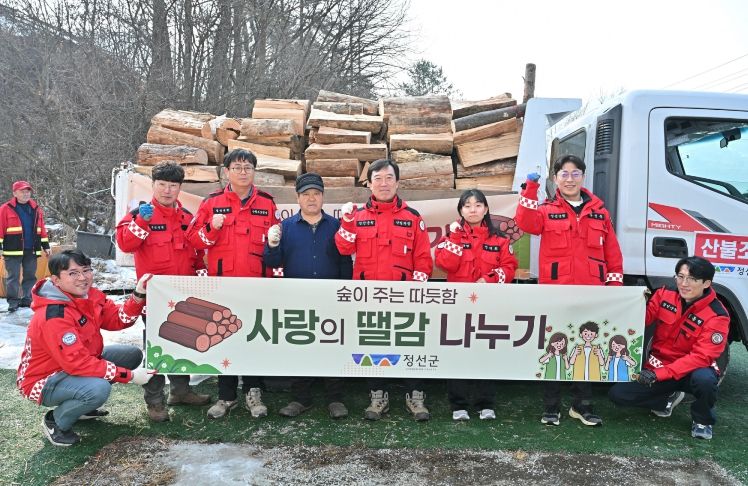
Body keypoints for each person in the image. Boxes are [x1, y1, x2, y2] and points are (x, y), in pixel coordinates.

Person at [515, 154, 623, 427]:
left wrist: (614, 288)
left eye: (576, 173)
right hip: (556, 292)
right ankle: (551, 407)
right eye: (564, 174)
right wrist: (530, 188)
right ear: (555, 179)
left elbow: (612, 253)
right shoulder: (546, 210)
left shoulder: (600, 212)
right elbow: (525, 223)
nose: (570, 179)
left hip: (592, 293)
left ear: (583, 177)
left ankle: (581, 406)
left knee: (586, 348)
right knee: (555, 346)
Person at [16, 250, 154, 446]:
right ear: (56, 280)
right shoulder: (54, 315)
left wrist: (138, 295)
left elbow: (119, 319)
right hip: (43, 380)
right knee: (98, 389)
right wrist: (129, 376)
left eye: (86, 270)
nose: (82, 278)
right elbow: (78, 363)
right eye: (73, 273)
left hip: (72, 365)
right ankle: (55, 421)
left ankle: (80, 408)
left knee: (130, 355)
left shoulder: (88, 296)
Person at [335, 159, 433, 421]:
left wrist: (415, 292)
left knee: (410, 345)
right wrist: (346, 222)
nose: (384, 183)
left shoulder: (412, 218)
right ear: (369, 184)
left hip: (405, 298)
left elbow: (423, 259)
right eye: (377, 178)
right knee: (373, 344)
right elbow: (343, 248)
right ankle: (377, 396)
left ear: (397, 183)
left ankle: (415, 396)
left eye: (389, 178)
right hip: (369, 297)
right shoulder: (357, 217)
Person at [186, 149, 280, 419]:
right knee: (223, 338)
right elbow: (194, 240)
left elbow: (276, 246)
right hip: (222, 287)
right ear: (226, 172)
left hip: (256, 287)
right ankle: (226, 396)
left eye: (248, 167)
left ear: (254, 172)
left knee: (253, 338)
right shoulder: (212, 203)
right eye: (237, 167)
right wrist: (212, 228)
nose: (243, 172)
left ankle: (253, 393)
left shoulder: (266, 203)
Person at [115, 161, 211, 422]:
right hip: (154, 299)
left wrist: (204, 280)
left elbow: (196, 255)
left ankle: (180, 391)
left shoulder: (187, 218)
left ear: (179, 188)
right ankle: (155, 402)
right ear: (153, 185)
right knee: (156, 349)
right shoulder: (139, 214)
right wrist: (142, 222)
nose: (167, 190)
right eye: (162, 185)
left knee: (183, 342)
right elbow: (125, 244)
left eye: (173, 185)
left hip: (184, 296)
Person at [609, 256, 729, 440]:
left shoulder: (717, 315)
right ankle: (666, 398)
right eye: (680, 276)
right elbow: (642, 320)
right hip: (661, 366)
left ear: (706, 283)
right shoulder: (664, 294)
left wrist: (658, 375)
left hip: (692, 370)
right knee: (618, 395)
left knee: (705, 381)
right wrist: (635, 303)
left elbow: (701, 357)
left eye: (692, 279)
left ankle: (702, 420)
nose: (684, 283)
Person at [263, 173, 353, 419]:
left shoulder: (336, 227)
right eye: (306, 194)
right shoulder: (285, 227)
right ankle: (300, 398)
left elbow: (345, 263)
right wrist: (272, 245)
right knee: (300, 347)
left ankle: (335, 399)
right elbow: (272, 262)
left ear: (323, 197)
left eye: (316, 194)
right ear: (298, 198)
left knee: (333, 346)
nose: (311, 199)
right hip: (297, 299)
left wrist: (344, 295)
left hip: (331, 298)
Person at [434, 188, 518, 421]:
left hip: (489, 305)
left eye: (478, 205)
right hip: (458, 306)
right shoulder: (450, 237)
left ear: (486, 209)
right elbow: (445, 265)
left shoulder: (500, 240)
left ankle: (485, 404)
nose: (473, 209)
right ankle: (458, 405)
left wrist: (488, 280)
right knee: (457, 353)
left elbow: (509, 268)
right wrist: (455, 239)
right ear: (460, 210)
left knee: (486, 352)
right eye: (467, 205)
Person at [0, 181, 51, 312]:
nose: (26, 194)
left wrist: (46, 245)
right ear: (14, 193)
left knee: (30, 276)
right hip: (12, 250)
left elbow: (41, 228)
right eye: (22, 191)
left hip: (31, 249)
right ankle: (13, 302)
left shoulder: (36, 208)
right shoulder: (5, 209)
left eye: (28, 191)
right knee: (13, 277)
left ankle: (27, 299)